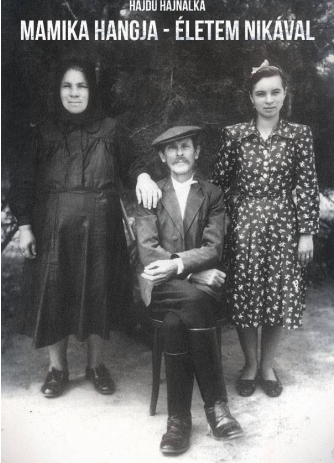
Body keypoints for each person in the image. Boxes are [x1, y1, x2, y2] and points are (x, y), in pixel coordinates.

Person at [10, 57, 160, 398]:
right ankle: (57, 369)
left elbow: (133, 163)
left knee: (98, 291)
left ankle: (96, 365)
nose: (74, 93)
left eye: (81, 86)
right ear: (58, 90)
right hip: (53, 229)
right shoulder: (43, 132)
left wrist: (143, 175)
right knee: (55, 292)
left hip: (101, 228)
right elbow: (24, 181)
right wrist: (25, 225)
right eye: (67, 86)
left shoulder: (111, 130)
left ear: (91, 91)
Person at [211, 60, 320, 398]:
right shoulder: (235, 135)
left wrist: (306, 232)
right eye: (261, 94)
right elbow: (218, 184)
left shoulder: (299, 135)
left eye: (275, 92)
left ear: (285, 94)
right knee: (245, 296)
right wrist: (221, 225)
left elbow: (307, 184)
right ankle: (249, 364)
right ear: (251, 98)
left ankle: (267, 366)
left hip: (284, 226)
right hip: (243, 226)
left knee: (278, 295)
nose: (269, 100)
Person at [135, 126, 244, 455]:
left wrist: (180, 268)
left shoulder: (212, 194)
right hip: (159, 285)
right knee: (195, 299)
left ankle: (178, 422)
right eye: (172, 148)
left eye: (186, 146)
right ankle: (216, 408)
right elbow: (149, 252)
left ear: (197, 152)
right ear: (162, 156)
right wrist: (192, 273)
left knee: (175, 323)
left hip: (188, 294)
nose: (179, 153)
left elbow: (214, 249)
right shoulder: (151, 192)